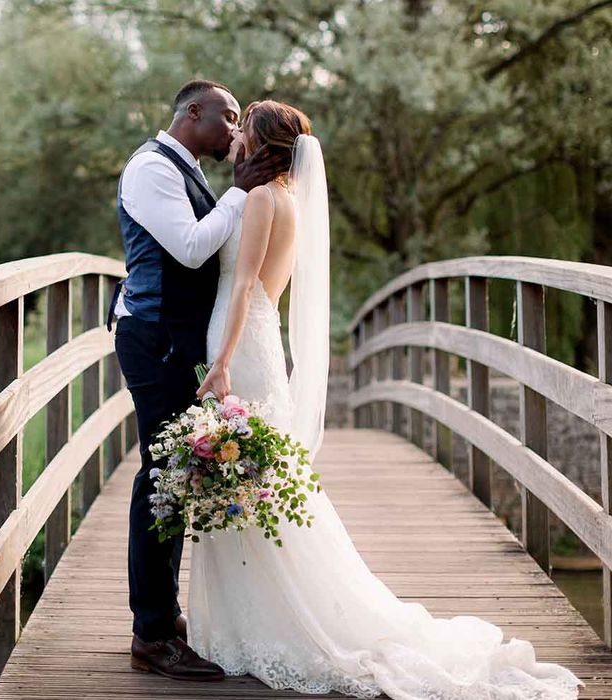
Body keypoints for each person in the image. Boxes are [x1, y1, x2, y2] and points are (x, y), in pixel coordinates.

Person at [193, 99, 585, 699]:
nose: (236, 136)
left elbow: (242, 283)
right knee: (256, 477)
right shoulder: (290, 204)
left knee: (242, 475)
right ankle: (252, 618)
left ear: (263, 142)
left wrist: (220, 362)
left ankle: (263, 623)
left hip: (240, 344)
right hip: (263, 340)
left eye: (244, 128)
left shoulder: (258, 201)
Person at [110, 79, 286, 681]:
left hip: (176, 341)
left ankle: (163, 615)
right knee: (160, 478)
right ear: (192, 113)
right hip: (155, 339)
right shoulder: (151, 168)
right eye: (227, 117)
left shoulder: (186, 168)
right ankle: (152, 632)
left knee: (178, 476)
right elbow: (187, 251)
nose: (236, 131)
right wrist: (240, 195)